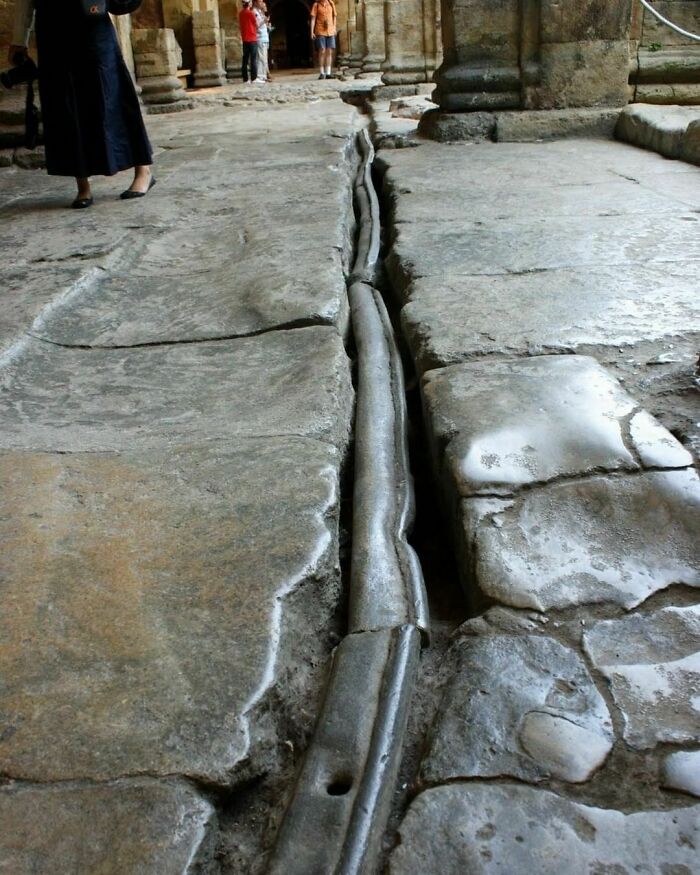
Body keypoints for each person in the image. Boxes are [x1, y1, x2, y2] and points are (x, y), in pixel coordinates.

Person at [8, 0, 154, 208]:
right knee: (65, 105)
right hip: (52, 31)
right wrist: (19, 39)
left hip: (92, 23)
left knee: (113, 96)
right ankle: (82, 184)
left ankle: (143, 170)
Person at [310, 0, 336, 80]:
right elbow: (313, 19)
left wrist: (334, 27)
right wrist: (311, 32)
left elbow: (334, 16)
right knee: (322, 50)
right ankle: (321, 72)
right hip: (320, 30)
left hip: (330, 30)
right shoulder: (316, 5)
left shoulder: (331, 3)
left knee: (329, 51)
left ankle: (328, 72)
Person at [238, 0, 258, 84]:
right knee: (253, 59)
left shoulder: (240, 13)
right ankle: (254, 78)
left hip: (245, 39)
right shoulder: (251, 13)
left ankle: (245, 79)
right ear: (249, 3)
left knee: (245, 59)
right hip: (252, 38)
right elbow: (256, 24)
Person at [253, 0, 270, 83]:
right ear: (255, 2)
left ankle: (263, 76)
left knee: (264, 59)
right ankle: (259, 76)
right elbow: (256, 25)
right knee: (260, 58)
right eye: (260, 1)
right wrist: (264, 21)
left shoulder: (260, 12)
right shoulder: (254, 12)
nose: (261, 3)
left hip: (264, 37)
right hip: (260, 37)